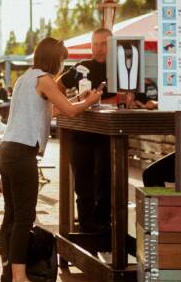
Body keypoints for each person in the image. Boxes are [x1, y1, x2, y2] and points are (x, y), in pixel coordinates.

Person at [0, 38, 101, 282]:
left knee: (11, 214)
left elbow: (48, 111)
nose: (63, 64)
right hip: (22, 152)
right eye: (62, 59)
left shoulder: (25, 79)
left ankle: (8, 272)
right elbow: (68, 111)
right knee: (24, 216)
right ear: (54, 59)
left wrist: (79, 97)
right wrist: (91, 100)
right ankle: (21, 279)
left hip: (7, 149)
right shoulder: (44, 79)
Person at [60, 28, 157, 233]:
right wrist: (63, 105)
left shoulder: (123, 68)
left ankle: (105, 227)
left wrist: (149, 103)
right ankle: (86, 228)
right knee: (83, 182)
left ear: (113, 45)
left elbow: (139, 98)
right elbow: (58, 85)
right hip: (82, 132)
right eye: (95, 44)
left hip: (110, 136)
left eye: (103, 44)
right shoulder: (82, 67)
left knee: (105, 181)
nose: (98, 49)